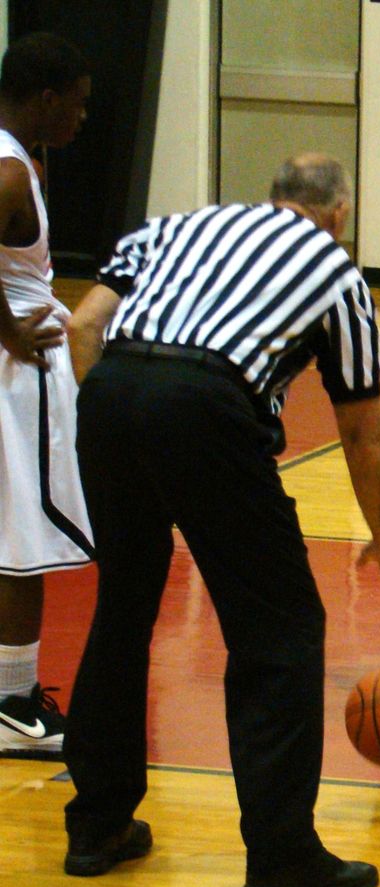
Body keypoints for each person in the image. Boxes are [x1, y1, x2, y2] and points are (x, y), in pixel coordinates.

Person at [60, 153, 380, 887]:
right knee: (279, 629)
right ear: (338, 214)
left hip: (111, 387)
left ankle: (96, 825)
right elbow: (361, 430)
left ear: (271, 196)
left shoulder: (172, 226)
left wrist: (124, 414)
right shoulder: (335, 269)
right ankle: (283, 855)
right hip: (206, 401)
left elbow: (84, 324)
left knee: (123, 607)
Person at [0, 33, 92, 758]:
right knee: (22, 542)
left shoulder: (17, 158)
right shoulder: (7, 171)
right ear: (48, 99)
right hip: (14, 377)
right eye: (80, 104)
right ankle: (12, 702)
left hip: (18, 366)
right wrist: (9, 333)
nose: (83, 118)